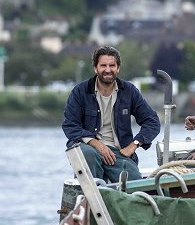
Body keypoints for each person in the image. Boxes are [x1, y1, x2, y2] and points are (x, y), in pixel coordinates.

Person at [62, 46, 160, 182]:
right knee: (88, 155)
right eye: (103, 65)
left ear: (118, 68)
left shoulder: (129, 91)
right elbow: (70, 125)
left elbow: (152, 121)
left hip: (118, 152)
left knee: (135, 184)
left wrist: (134, 144)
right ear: (95, 68)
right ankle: (93, 198)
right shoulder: (80, 91)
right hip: (88, 147)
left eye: (112, 65)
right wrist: (97, 144)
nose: (108, 70)